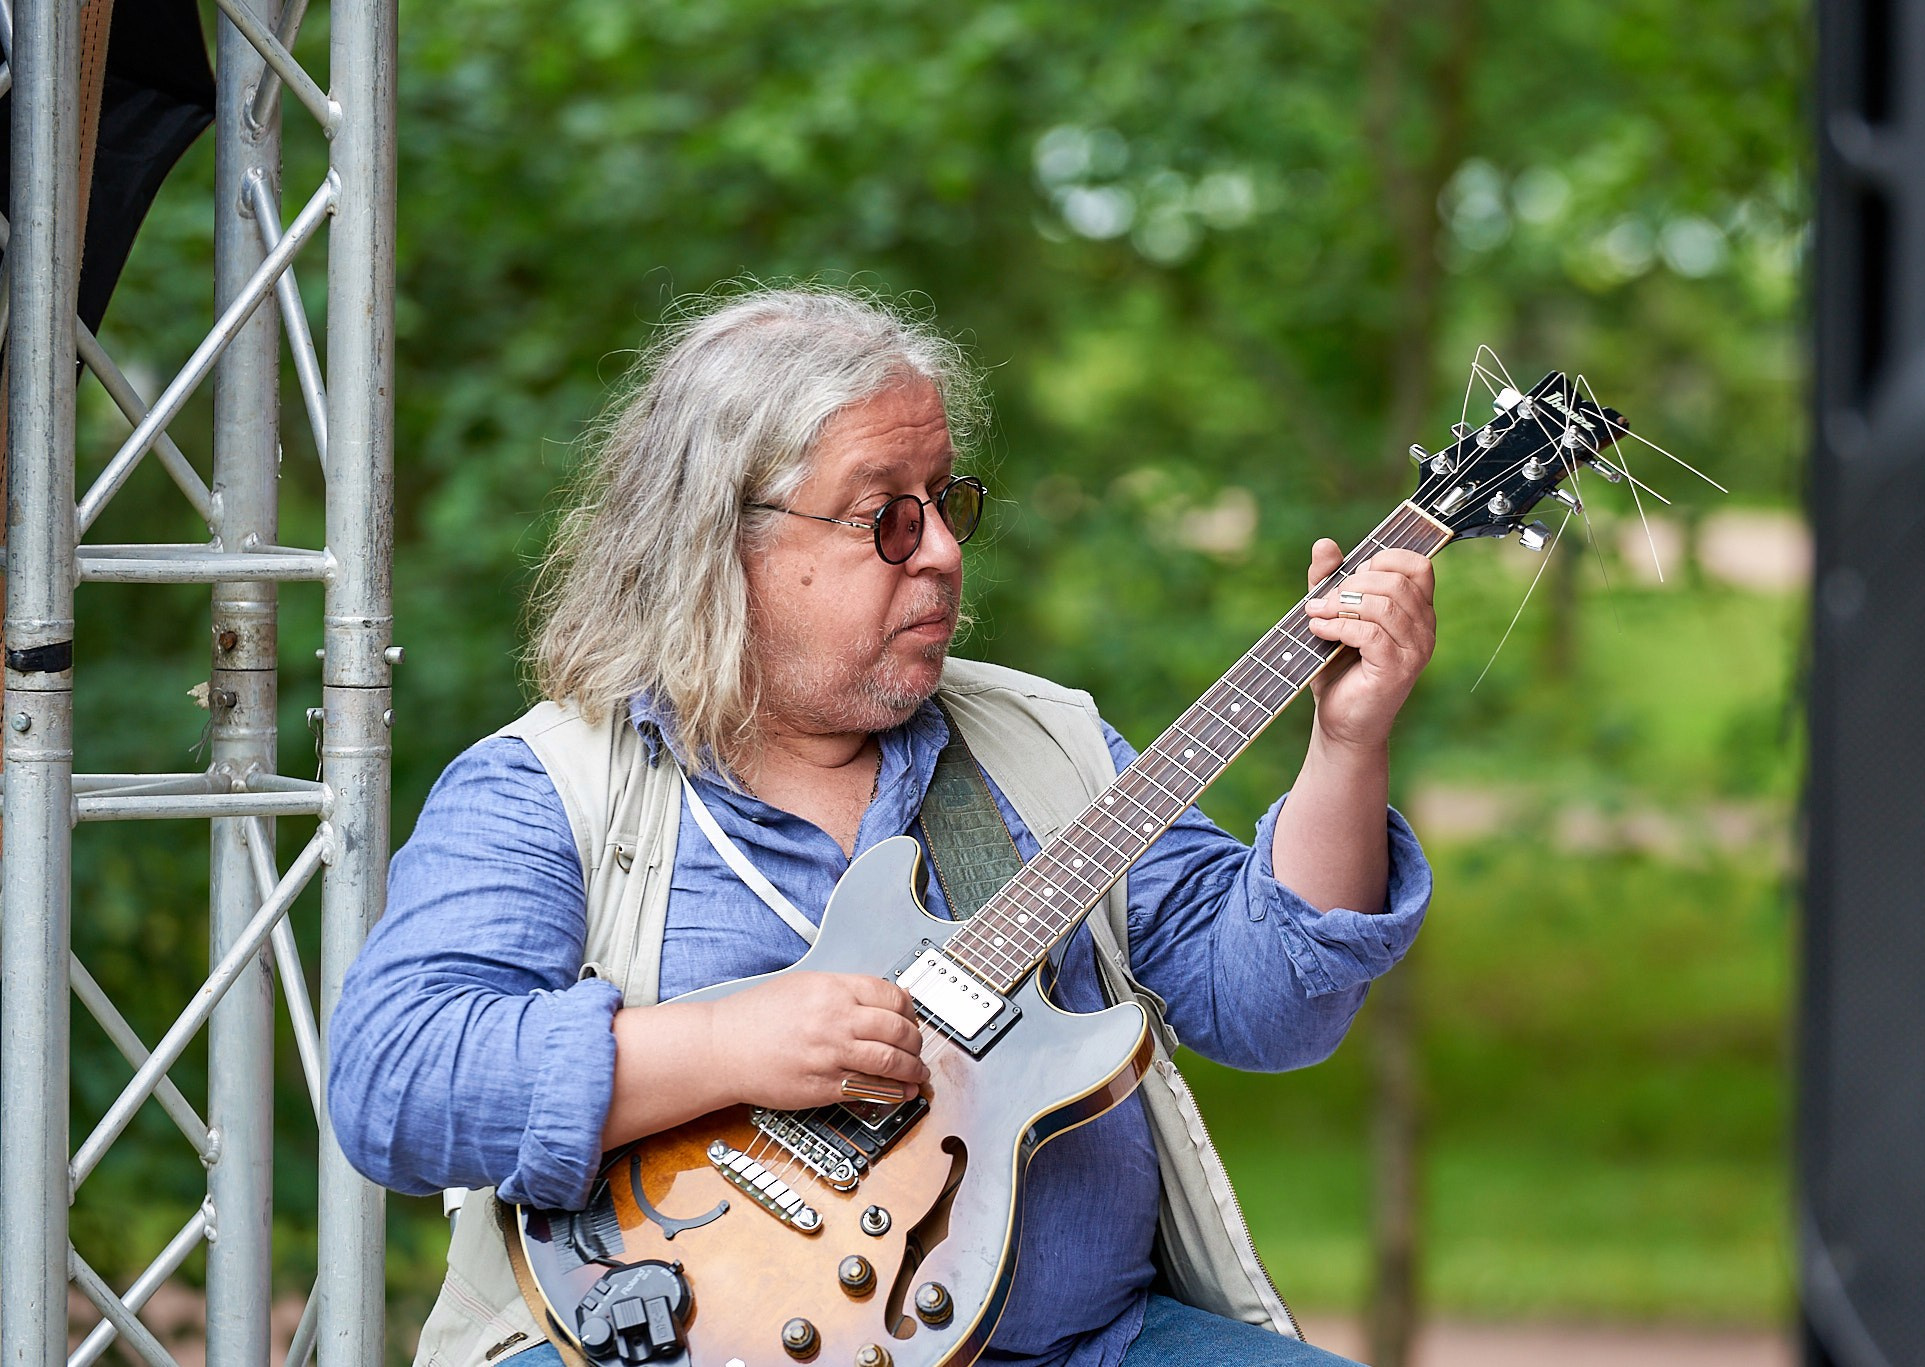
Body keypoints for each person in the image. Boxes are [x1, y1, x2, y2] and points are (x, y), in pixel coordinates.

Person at [329, 286, 1437, 1367]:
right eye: (885, 517)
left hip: (1084, 1347)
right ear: (722, 538)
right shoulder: (545, 785)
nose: (943, 552)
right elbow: (398, 1079)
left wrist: (1344, 748)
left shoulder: (1045, 743)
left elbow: (1270, 1008)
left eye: (945, 501)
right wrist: (729, 1045)